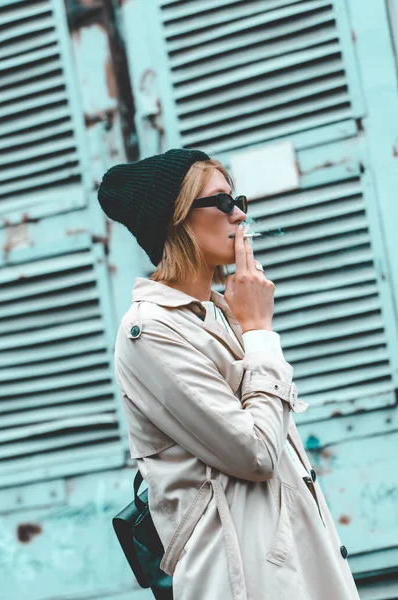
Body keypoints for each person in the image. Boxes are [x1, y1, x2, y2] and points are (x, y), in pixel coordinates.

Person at [97, 149, 360, 600]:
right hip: (241, 579)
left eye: (238, 199)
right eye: (221, 202)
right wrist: (259, 332)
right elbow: (255, 454)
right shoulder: (150, 331)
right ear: (176, 220)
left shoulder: (219, 314)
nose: (239, 213)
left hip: (295, 566)